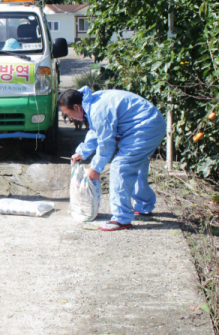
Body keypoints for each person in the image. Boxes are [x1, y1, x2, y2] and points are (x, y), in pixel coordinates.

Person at [59, 86, 166, 231]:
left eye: (68, 114)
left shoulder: (97, 109)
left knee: (120, 167)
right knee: (137, 164)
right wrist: (82, 152)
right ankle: (144, 206)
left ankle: (121, 219)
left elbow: (106, 143)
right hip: (150, 124)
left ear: (76, 107)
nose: (70, 118)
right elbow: (96, 130)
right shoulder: (92, 103)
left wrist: (95, 168)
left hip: (144, 128)